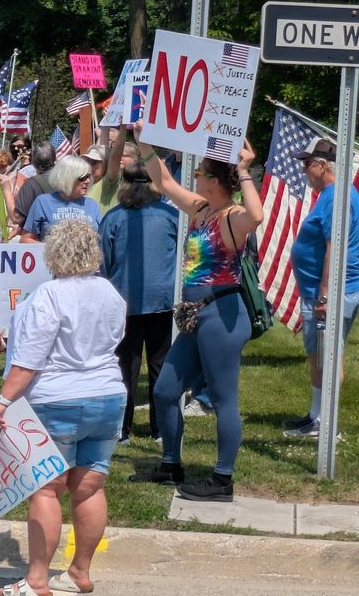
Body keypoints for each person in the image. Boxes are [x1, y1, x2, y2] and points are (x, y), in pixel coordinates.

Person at [0, 218, 126, 596]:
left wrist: (2, 402)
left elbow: (28, 360)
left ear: (54, 253)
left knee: (46, 489)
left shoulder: (48, 295)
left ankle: (36, 581)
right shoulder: (110, 292)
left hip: (57, 398)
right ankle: (80, 571)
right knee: (90, 486)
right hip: (109, 396)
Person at [129, 121, 263, 502]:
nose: (198, 174)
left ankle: (223, 480)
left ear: (216, 180)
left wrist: (243, 169)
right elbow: (165, 183)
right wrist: (145, 144)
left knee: (223, 399)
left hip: (222, 315)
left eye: (203, 171)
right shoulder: (201, 208)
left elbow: (258, 216)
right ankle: (171, 464)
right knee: (166, 389)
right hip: (195, 315)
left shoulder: (233, 216)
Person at [284, 137, 359, 438]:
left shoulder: (336, 196)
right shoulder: (334, 194)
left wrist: (326, 292)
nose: (304, 171)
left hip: (328, 291)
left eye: (306, 165)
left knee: (328, 356)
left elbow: (334, 246)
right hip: (319, 290)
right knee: (318, 354)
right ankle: (316, 418)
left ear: (322, 165)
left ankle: (328, 426)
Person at [99, 161, 179, 444]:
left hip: (125, 302)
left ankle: (123, 429)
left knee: (125, 369)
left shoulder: (113, 218)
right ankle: (161, 429)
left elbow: (104, 263)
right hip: (162, 301)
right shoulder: (171, 216)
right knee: (161, 366)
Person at [20, 155, 102, 243]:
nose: (88, 181)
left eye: (88, 177)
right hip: (51, 256)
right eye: (82, 178)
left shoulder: (92, 205)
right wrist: (50, 250)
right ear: (67, 178)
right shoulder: (43, 202)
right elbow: (25, 239)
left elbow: (102, 239)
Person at [11, 142, 56, 229]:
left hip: (40, 238)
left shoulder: (31, 184)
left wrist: (6, 190)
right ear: (54, 158)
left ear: (34, 161)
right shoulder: (67, 180)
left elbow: (16, 218)